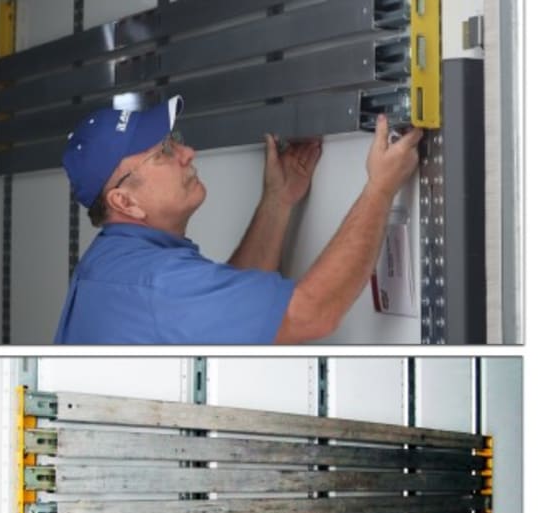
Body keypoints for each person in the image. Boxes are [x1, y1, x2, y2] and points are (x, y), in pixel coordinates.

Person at [54, 95, 423, 344]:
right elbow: (311, 313)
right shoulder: (155, 284)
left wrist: (277, 203)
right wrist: (380, 189)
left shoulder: (110, 266)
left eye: (173, 139)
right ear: (125, 201)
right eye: (163, 151)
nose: (187, 152)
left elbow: (228, 312)